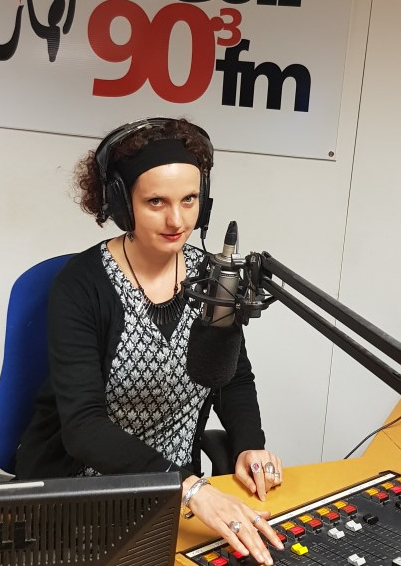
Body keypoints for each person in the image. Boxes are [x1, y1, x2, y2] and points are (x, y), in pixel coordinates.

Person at [16, 117, 284, 563]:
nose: (176, 220)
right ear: (123, 205)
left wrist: (248, 443)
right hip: (83, 493)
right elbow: (83, 427)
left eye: (189, 199)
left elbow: (232, 377)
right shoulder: (81, 286)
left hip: (177, 494)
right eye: (156, 201)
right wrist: (190, 488)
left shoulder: (213, 278)